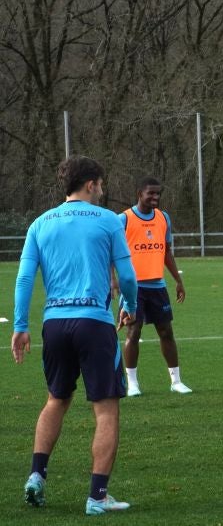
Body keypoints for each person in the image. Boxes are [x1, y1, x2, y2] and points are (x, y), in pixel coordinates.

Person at [11, 156, 138, 515]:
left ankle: (36, 476)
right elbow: (127, 277)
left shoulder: (40, 223)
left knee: (56, 399)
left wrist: (21, 326)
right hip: (95, 322)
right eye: (101, 183)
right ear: (90, 184)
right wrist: (129, 303)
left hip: (54, 324)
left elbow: (24, 279)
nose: (103, 189)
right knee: (106, 410)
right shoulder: (108, 220)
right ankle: (97, 496)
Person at [117, 177, 191, 396]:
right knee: (133, 330)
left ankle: (176, 381)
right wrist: (113, 280)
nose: (155, 197)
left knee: (166, 332)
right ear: (139, 193)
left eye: (158, 193)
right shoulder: (124, 219)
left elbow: (166, 251)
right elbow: (113, 252)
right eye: (151, 193)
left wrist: (178, 280)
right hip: (134, 287)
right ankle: (133, 384)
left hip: (158, 286)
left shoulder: (163, 218)